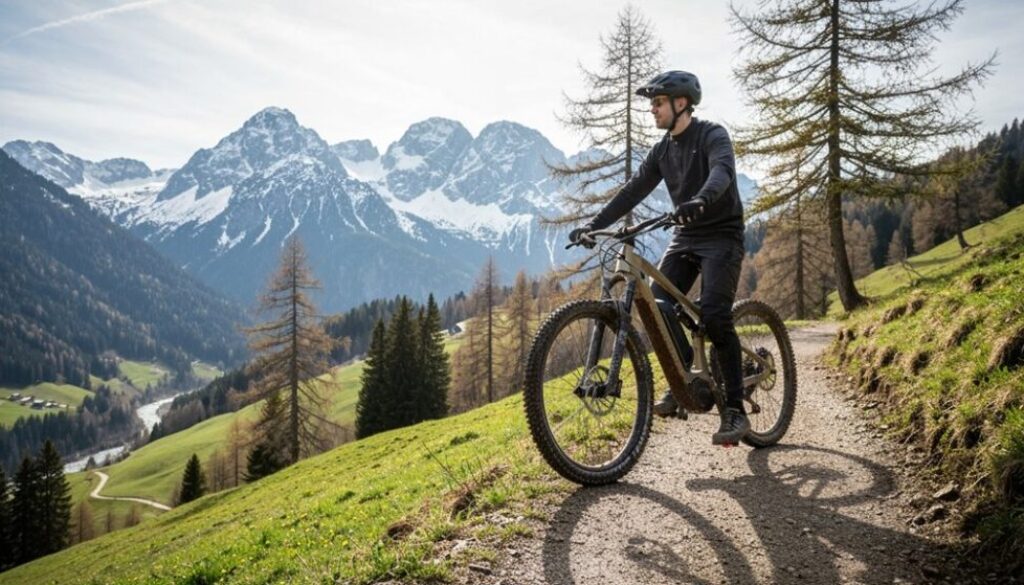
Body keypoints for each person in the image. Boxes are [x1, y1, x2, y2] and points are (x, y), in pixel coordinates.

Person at [568, 70, 749, 446]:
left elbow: (722, 172)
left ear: (681, 103)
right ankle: (684, 383)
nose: (652, 109)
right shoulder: (663, 150)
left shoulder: (712, 135)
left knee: (716, 318)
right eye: (652, 103)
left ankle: (735, 410)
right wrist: (594, 226)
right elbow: (632, 191)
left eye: (658, 102)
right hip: (686, 237)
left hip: (721, 236)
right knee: (657, 305)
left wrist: (701, 199)